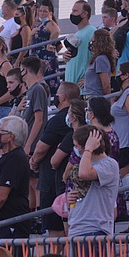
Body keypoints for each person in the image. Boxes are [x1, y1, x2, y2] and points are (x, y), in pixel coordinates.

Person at [30, 83, 81, 237]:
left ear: (63, 97)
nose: (55, 97)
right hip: (62, 183)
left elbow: (41, 148)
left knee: (56, 229)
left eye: (58, 94)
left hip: (53, 182)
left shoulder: (58, 120)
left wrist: (33, 162)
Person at [65, 126, 119, 237]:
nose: (76, 149)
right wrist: (71, 198)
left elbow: (85, 174)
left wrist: (88, 149)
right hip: (77, 227)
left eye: (77, 146)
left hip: (95, 228)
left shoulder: (109, 164)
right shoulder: (85, 163)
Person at [29, 0, 60, 94]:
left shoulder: (49, 23)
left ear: (50, 13)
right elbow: (30, 42)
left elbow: (56, 31)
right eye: (41, 11)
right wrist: (31, 34)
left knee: (47, 80)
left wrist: (49, 43)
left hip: (46, 57)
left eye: (45, 11)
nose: (42, 13)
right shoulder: (39, 24)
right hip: (36, 55)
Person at [83, 29, 115, 98]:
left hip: (95, 98)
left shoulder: (101, 59)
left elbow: (106, 84)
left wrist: (107, 100)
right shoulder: (100, 59)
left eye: (93, 42)